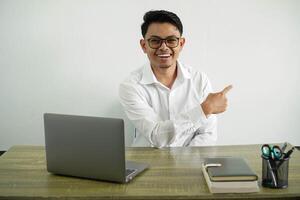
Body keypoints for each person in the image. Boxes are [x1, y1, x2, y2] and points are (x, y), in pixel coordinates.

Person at [119, 10, 232, 148]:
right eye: (155, 41)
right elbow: (156, 136)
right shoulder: (131, 86)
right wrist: (204, 109)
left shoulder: (199, 80)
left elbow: (207, 134)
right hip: (146, 161)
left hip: (190, 162)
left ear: (181, 43)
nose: (164, 47)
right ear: (144, 45)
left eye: (171, 40)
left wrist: (185, 162)